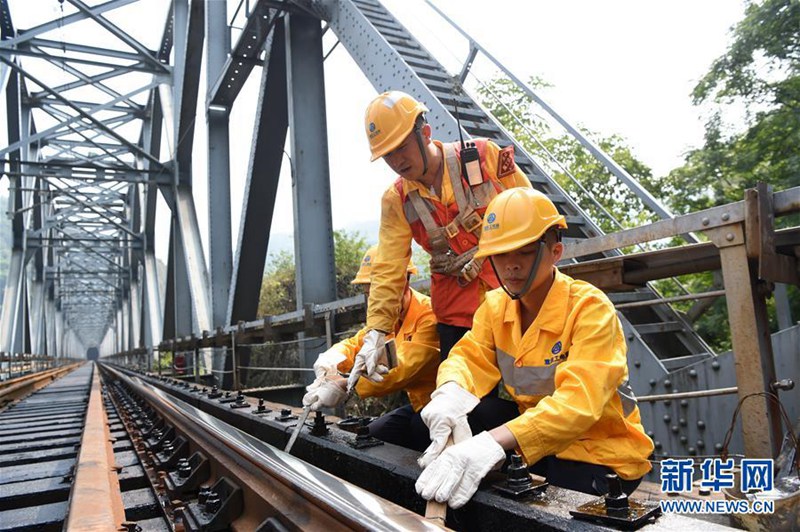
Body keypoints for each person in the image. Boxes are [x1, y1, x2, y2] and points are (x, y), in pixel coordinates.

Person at [415, 188, 654, 509]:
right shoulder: (495, 305)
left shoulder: (590, 308)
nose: (511, 265)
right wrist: (449, 395)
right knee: (421, 423)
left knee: (550, 508)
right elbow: (469, 358)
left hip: (599, 449)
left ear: (555, 251)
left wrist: (490, 444)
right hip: (535, 435)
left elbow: (578, 404)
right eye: (501, 254)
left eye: (525, 252)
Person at [347, 90, 532, 389]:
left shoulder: (485, 157)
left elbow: (533, 215)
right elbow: (389, 267)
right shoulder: (397, 199)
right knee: (461, 400)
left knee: (530, 389)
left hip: (515, 298)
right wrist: (377, 331)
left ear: (426, 132)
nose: (397, 160)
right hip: (457, 315)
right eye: (387, 154)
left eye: (401, 147)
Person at [303, 246, 440, 451]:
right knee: (371, 438)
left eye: (378, 295)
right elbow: (358, 343)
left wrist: (344, 384)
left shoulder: (429, 316)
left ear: (404, 282)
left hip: (443, 407)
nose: (374, 303)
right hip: (420, 405)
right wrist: (331, 360)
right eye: (370, 296)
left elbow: (400, 370)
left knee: (420, 429)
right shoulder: (385, 320)